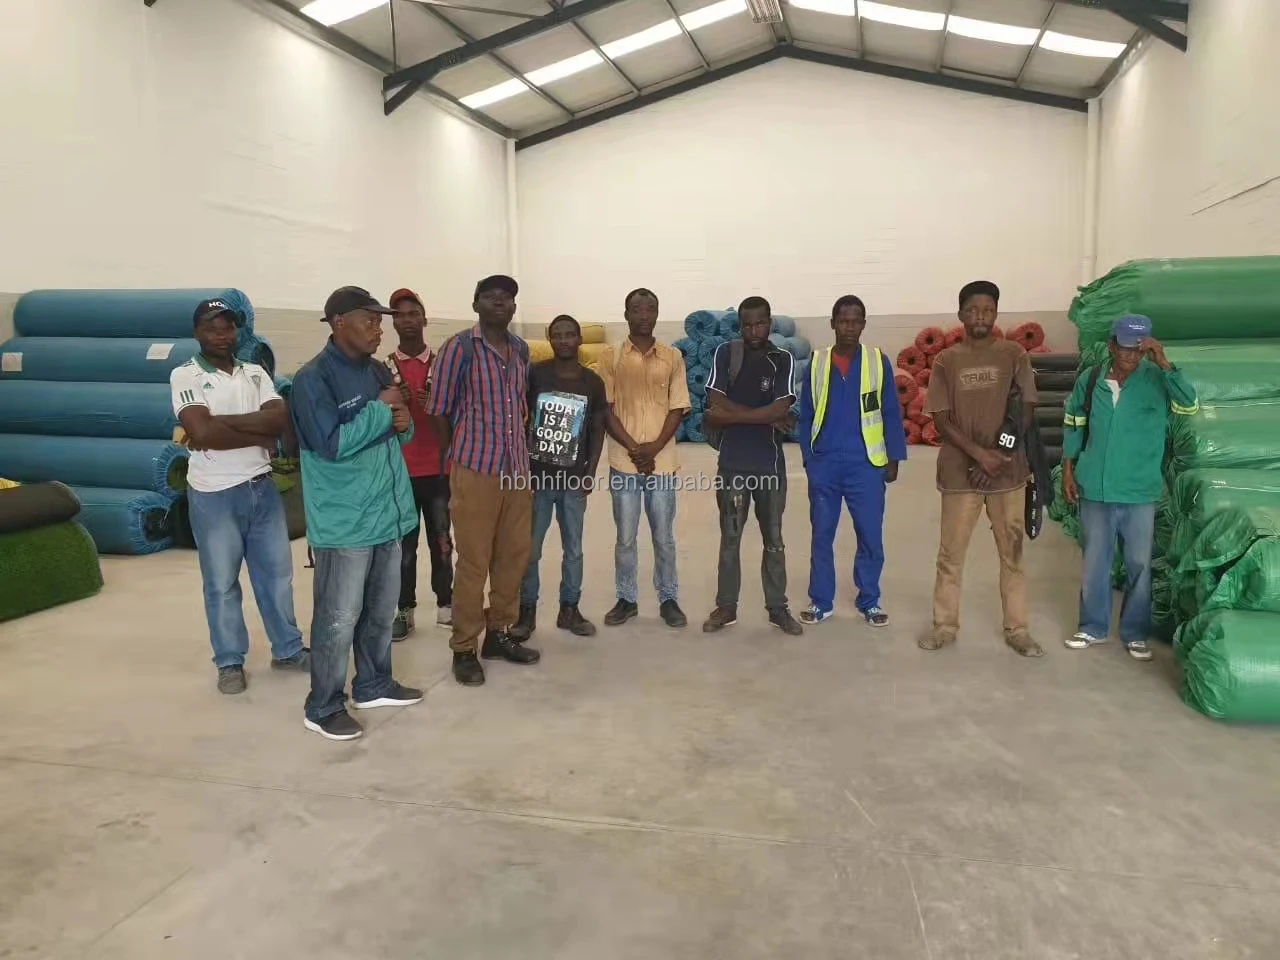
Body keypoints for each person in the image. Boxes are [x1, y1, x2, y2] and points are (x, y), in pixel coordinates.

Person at [290, 286, 424, 741]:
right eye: (369, 320)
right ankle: (323, 706)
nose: (379, 328)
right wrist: (383, 410)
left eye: (379, 321)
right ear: (339, 322)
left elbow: (394, 429)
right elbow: (332, 445)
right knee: (338, 618)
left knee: (380, 611)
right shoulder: (313, 379)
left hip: (386, 513)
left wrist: (403, 424)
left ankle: (373, 684)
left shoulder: (374, 369)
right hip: (345, 522)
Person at [171, 299, 309, 695]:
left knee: (277, 577)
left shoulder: (255, 373)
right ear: (197, 332)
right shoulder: (185, 375)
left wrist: (218, 425)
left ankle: (288, 650)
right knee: (221, 583)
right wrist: (253, 434)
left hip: (261, 488)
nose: (221, 335)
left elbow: (278, 419)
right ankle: (229, 662)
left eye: (228, 328)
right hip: (214, 495)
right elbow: (202, 432)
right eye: (212, 328)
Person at [1062, 315, 1198, 660]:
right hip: (1096, 487)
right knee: (1095, 562)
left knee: (1139, 565)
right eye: (1124, 348)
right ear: (1112, 345)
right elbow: (1074, 424)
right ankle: (1092, 627)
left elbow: (1189, 405)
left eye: (1138, 349)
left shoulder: (1158, 379)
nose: (1130, 356)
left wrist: (1164, 363)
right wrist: (1068, 470)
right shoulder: (1092, 379)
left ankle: (1135, 634)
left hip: (1139, 490)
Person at [426, 275, 538, 687]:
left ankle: (498, 633)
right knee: (473, 563)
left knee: (513, 557)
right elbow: (438, 410)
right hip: (475, 469)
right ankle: (463, 647)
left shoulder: (521, 349)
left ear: (514, 307)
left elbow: (520, 407)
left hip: (516, 471)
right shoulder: (459, 348)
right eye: (490, 297)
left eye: (507, 298)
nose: (499, 303)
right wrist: (455, 456)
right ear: (476, 304)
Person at [923, 280, 1043, 657]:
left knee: (1013, 553)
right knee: (950, 555)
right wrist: (980, 455)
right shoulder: (947, 361)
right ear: (961, 314)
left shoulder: (1014, 355)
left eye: (988, 310)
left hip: (1008, 474)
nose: (980, 317)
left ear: (996, 314)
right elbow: (941, 419)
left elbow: (1025, 408)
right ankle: (944, 625)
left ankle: (1018, 629)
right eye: (973, 310)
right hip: (960, 474)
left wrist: (998, 454)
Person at [796, 295, 907, 628]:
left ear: (863, 324)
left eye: (855, 321)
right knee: (822, 535)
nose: (849, 327)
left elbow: (890, 410)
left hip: (866, 463)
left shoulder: (877, 361)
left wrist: (894, 457)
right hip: (826, 463)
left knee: (870, 534)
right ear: (832, 323)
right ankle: (821, 601)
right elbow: (806, 414)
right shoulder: (817, 362)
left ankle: (869, 600)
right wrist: (809, 459)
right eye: (843, 321)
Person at [701, 296, 803, 635]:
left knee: (773, 538)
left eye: (760, 323)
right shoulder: (726, 354)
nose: (754, 330)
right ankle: (726, 607)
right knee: (730, 538)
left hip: (769, 467)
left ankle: (777, 608)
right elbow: (715, 400)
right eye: (747, 325)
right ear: (740, 325)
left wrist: (733, 417)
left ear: (770, 323)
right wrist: (764, 418)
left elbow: (781, 407)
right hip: (733, 465)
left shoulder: (782, 358)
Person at [598, 288, 691, 629]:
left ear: (657, 314)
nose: (643, 315)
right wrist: (635, 449)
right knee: (625, 538)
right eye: (636, 309)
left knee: (663, 536)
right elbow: (606, 410)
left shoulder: (672, 357)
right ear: (626, 315)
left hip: (661, 464)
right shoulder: (610, 357)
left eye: (649, 309)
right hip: (624, 463)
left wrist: (653, 448)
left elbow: (678, 407)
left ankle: (668, 599)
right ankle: (626, 599)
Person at [510, 315, 607, 639]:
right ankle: (526, 611)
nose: (564, 341)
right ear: (550, 339)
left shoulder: (592, 382)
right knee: (530, 550)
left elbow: (597, 429)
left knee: (574, 550)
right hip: (538, 480)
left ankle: (570, 609)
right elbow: (521, 420)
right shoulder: (535, 375)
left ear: (579, 338)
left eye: (570, 335)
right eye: (558, 335)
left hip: (573, 480)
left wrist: (590, 473)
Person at [387, 287, 453, 641]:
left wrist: (437, 405)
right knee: (404, 548)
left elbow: (460, 415)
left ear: (425, 320)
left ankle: (446, 605)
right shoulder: (383, 369)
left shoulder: (443, 365)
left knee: (442, 543)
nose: (407, 320)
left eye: (413, 313)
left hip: (440, 470)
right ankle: (404, 610)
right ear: (393, 323)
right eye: (399, 315)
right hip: (401, 473)